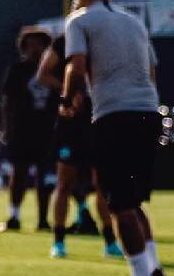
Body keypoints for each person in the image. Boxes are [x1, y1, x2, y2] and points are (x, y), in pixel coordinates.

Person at [60, 0, 166, 276]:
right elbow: (151, 70)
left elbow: (76, 67)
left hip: (114, 115)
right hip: (147, 112)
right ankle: (153, 268)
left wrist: (67, 98)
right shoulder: (133, 22)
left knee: (117, 203)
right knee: (133, 200)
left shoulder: (80, 21)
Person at [36, 35, 116, 261]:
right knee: (64, 183)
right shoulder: (65, 41)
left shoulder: (106, 39)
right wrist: (68, 92)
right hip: (71, 122)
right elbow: (43, 73)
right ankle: (58, 240)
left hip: (100, 117)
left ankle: (110, 240)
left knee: (103, 184)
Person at [0, 27, 56, 233]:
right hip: (21, 130)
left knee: (44, 176)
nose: (34, 49)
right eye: (30, 44)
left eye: (38, 44)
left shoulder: (54, 70)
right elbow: (8, 102)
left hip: (46, 130)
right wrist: (6, 128)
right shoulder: (17, 70)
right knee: (19, 173)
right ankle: (14, 215)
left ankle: (43, 219)